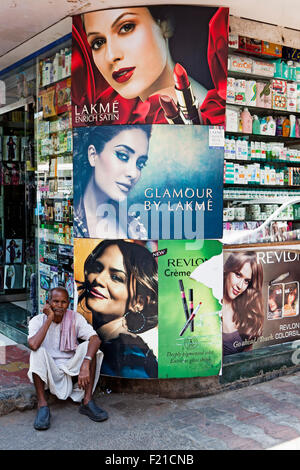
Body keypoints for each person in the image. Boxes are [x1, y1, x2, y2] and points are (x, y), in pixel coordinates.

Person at [72, 6, 228, 125]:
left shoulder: (212, 113)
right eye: (98, 43)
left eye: (126, 27)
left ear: (166, 25)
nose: (111, 56)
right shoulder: (131, 115)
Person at [27, 286, 108, 431]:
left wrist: (85, 363)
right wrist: (49, 318)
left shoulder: (74, 318)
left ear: (68, 304)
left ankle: (87, 402)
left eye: (63, 302)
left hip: (70, 368)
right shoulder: (37, 321)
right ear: (48, 302)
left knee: (91, 348)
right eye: (55, 301)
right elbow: (33, 344)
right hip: (49, 369)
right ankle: (42, 405)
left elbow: (95, 339)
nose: (59, 306)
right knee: (37, 352)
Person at [76, 240, 158, 378]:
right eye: (97, 268)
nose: (99, 279)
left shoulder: (131, 356)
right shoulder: (101, 338)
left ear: (138, 302)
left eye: (116, 277)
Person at [73, 125, 151, 239]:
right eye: (123, 156)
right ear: (93, 155)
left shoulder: (135, 229)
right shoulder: (71, 221)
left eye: (140, 164)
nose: (133, 174)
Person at [222, 252, 264, 356]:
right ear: (227, 270)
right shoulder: (209, 302)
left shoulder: (246, 314)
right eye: (238, 275)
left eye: (246, 281)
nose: (240, 286)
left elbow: (246, 360)